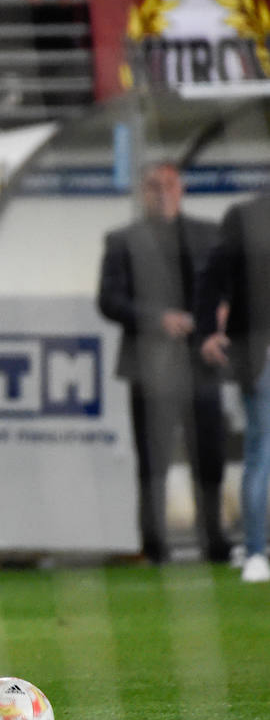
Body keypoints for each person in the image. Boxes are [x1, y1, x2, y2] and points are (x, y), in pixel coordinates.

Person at [98, 162, 229, 565]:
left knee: (209, 457)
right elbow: (109, 300)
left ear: (182, 189)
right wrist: (157, 319)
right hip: (148, 369)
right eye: (154, 185)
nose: (162, 193)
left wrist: (219, 318)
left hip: (201, 367)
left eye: (169, 185)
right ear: (142, 191)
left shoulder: (209, 235)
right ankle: (154, 546)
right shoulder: (123, 240)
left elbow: (228, 289)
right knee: (152, 462)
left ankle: (215, 542)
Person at [196, 192, 270, 582]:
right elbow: (212, 276)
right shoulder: (245, 216)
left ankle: (257, 550)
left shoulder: (245, 215)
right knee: (261, 446)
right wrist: (208, 330)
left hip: (254, 348)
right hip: (258, 349)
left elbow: (211, 277)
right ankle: (256, 551)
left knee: (261, 447)